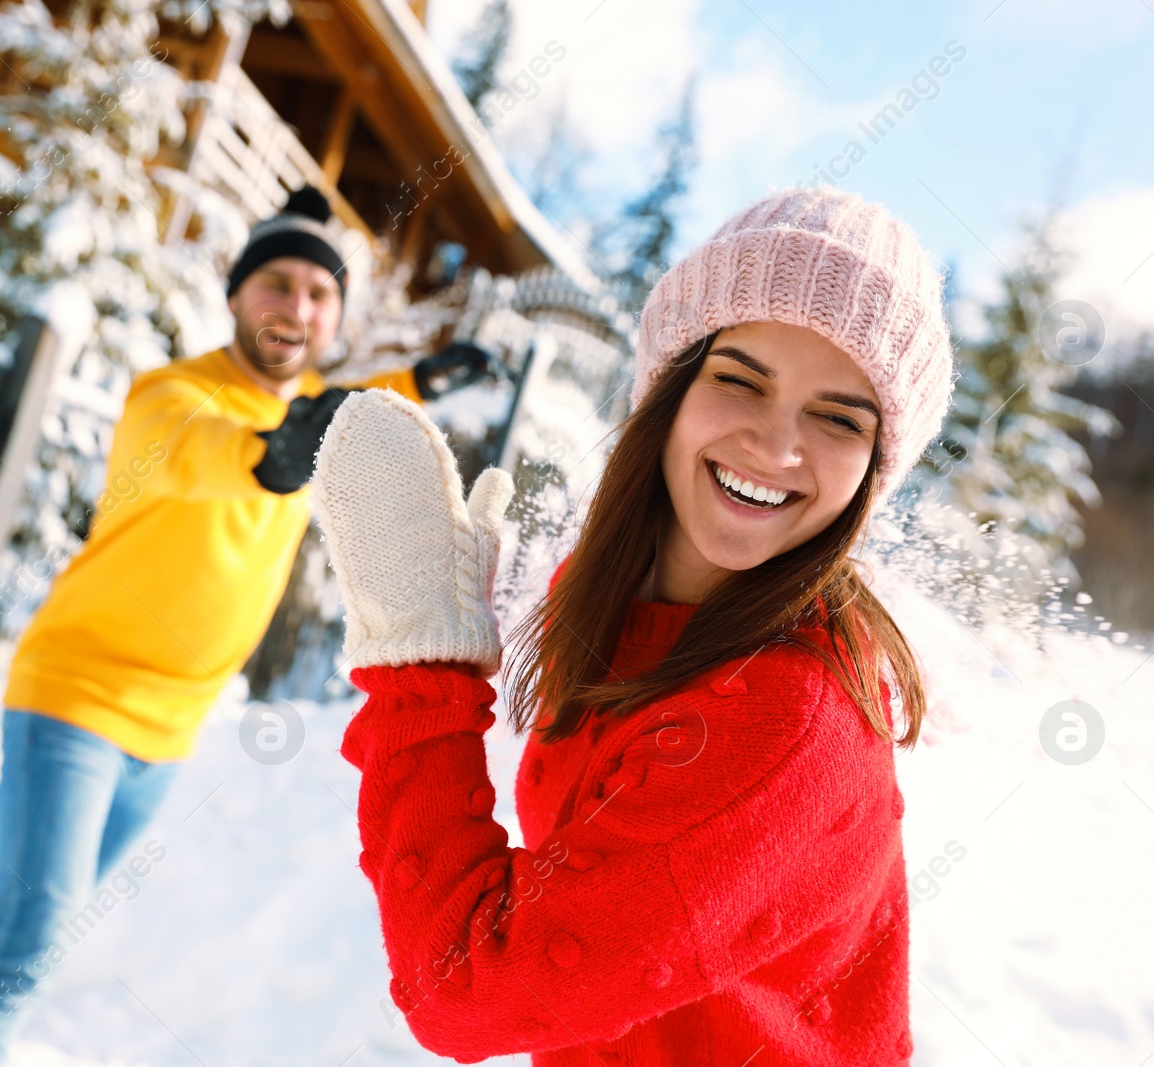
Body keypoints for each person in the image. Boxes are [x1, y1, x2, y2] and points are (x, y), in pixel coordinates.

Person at [309, 186, 955, 1065]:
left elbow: (463, 988)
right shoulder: (616, 595)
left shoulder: (785, 713)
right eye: (740, 378)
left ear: (875, 467)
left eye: (840, 418)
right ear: (672, 389)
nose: (777, 445)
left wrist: (420, 669)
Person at [0, 186, 495, 1067]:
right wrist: (270, 456)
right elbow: (208, 448)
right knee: (29, 930)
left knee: (25, 926)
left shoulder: (316, 406)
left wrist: (419, 384)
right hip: (78, 700)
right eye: (277, 284)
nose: (297, 306)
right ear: (237, 295)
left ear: (334, 319)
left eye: (319, 294)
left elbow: (344, 406)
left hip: (169, 730)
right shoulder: (172, 395)